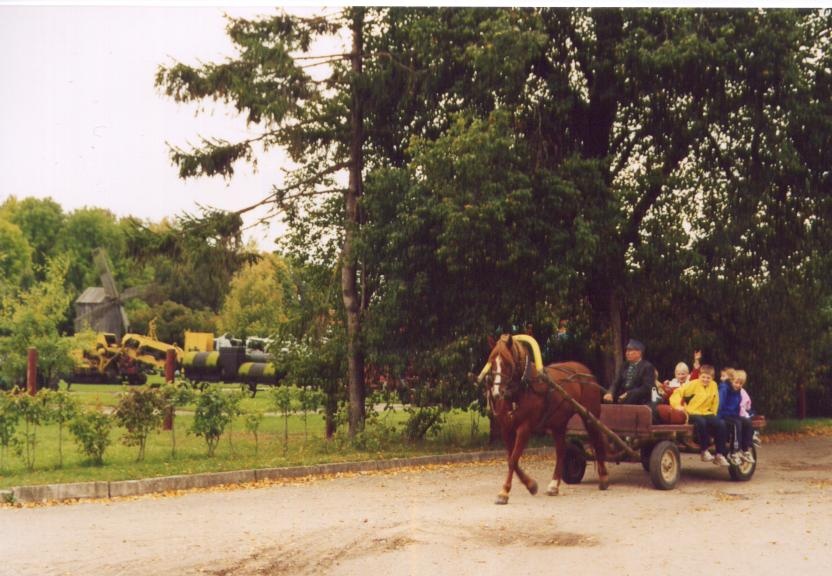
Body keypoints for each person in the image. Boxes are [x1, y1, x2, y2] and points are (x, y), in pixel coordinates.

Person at [669, 364, 730, 466]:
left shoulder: (714, 385)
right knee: (701, 422)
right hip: (692, 412)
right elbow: (678, 392)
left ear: (712, 378)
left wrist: (714, 415)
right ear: (699, 376)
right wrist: (677, 406)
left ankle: (719, 455)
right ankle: (704, 451)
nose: (705, 380)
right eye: (703, 377)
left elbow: (715, 401)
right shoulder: (693, 384)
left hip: (706, 412)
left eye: (708, 378)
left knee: (721, 424)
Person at [604, 339, 656, 405]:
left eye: (630, 350)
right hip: (622, 400)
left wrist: (629, 394)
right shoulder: (624, 366)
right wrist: (610, 392)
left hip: (640, 402)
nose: (627, 353)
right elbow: (616, 382)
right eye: (627, 350)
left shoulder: (647, 367)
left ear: (639, 353)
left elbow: (647, 388)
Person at [719, 369, 755, 464]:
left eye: (740, 384)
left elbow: (737, 406)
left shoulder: (738, 391)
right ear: (731, 381)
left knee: (747, 422)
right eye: (736, 383)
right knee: (736, 424)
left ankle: (745, 449)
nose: (738, 385)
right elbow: (720, 403)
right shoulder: (725, 388)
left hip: (733, 415)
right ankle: (734, 451)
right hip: (724, 414)